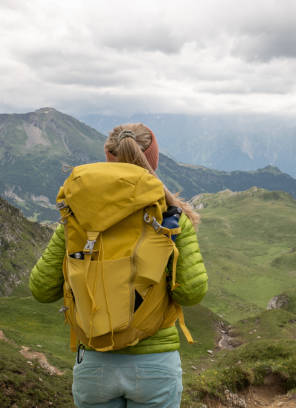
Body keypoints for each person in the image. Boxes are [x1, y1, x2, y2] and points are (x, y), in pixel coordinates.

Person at [29, 123, 208, 407]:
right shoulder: (170, 216)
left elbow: (41, 289)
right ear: (154, 159)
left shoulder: (76, 217)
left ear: (107, 156)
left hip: (95, 364)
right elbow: (191, 292)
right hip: (154, 365)